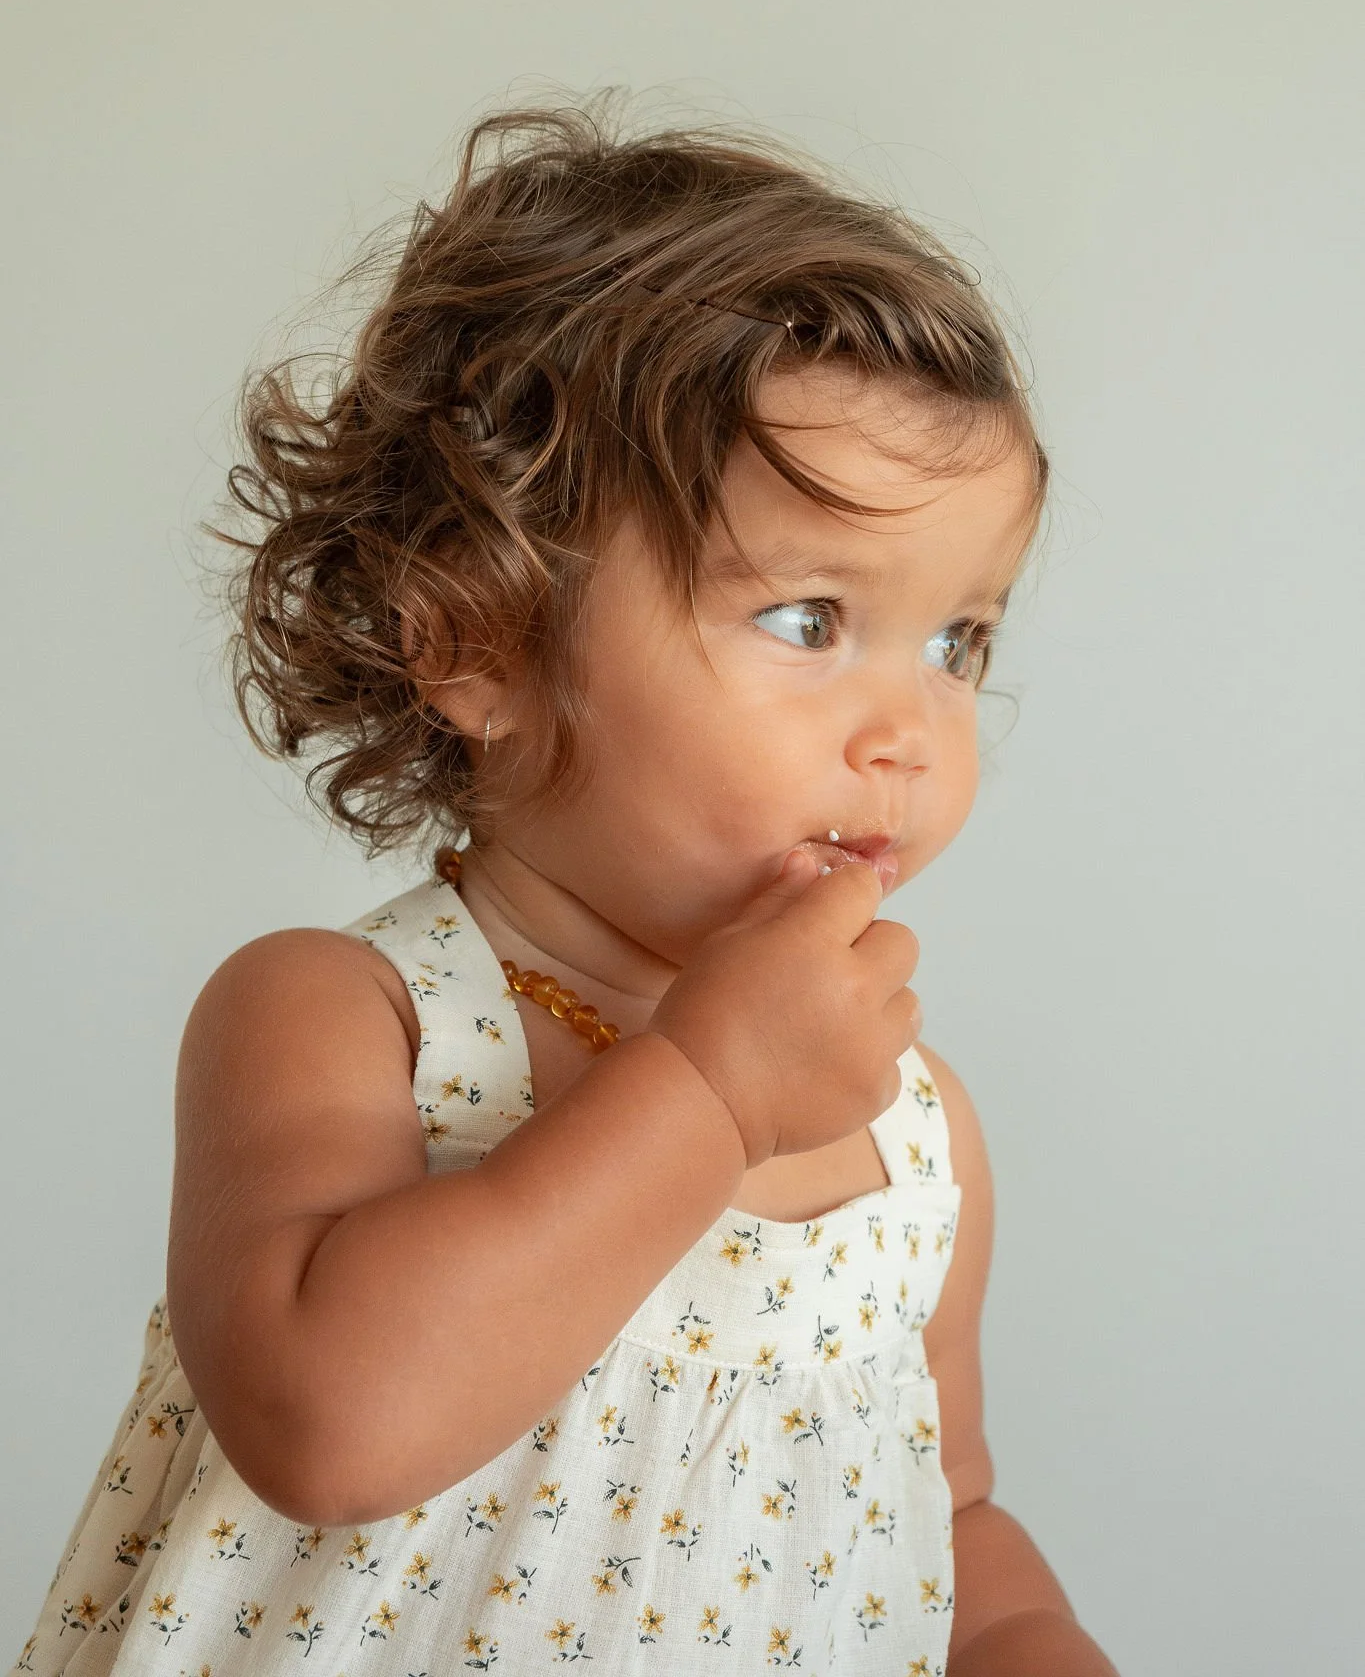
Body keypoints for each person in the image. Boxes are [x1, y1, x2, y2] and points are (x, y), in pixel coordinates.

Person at [12, 97, 1120, 1676]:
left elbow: (948, 1513)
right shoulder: (347, 1021)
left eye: (960, 642)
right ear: (475, 636)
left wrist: (1034, 1641)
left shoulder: (912, 1131)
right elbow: (333, 1422)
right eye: (810, 619)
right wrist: (709, 1090)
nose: (910, 732)